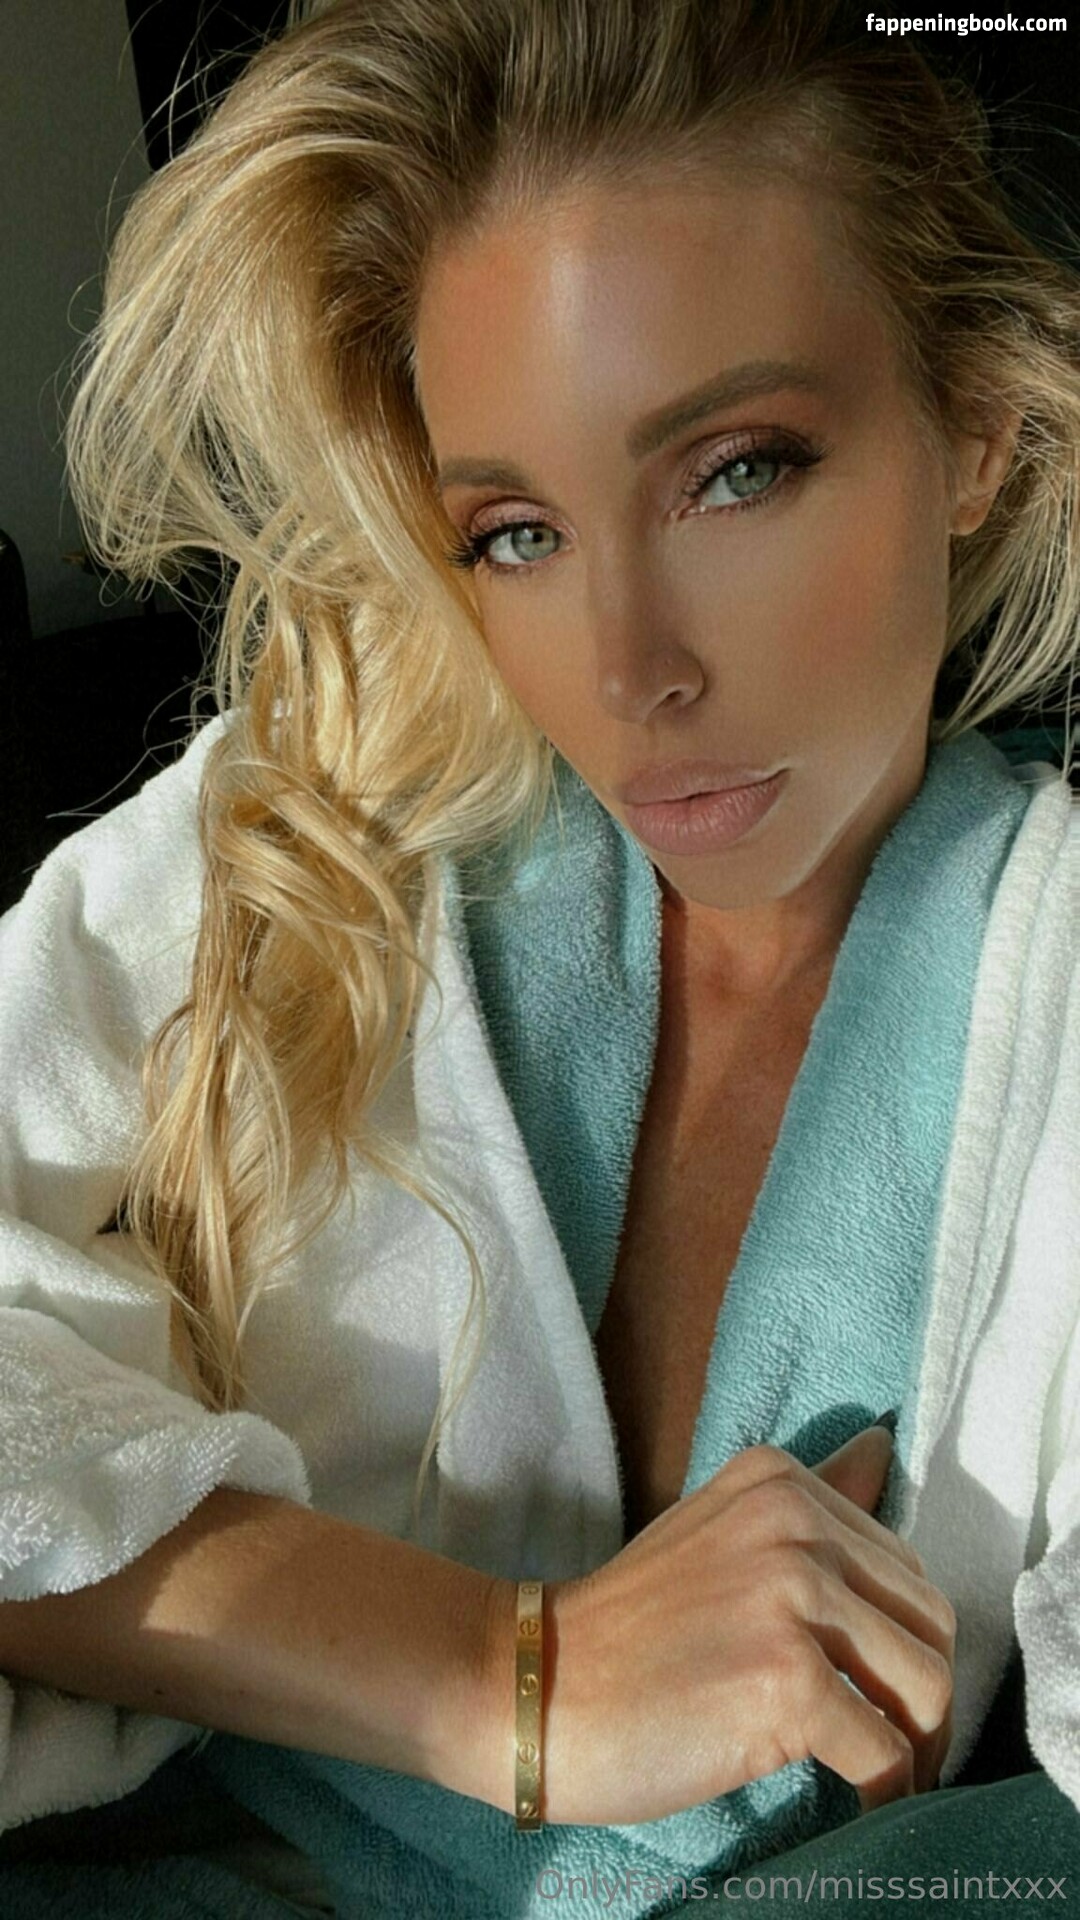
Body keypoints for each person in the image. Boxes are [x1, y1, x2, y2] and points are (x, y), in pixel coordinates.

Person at [0, 0, 1078, 1913]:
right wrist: (510, 1677)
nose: (627, 671)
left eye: (735, 470)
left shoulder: (1052, 988)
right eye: (513, 532)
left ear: (978, 433)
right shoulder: (317, 825)